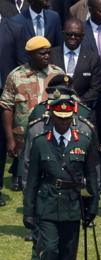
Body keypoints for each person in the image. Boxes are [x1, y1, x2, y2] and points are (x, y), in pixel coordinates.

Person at [23, 98, 99, 260]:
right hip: (47, 204)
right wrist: (28, 211)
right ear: (52, 116)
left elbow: (92, 176)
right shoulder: (41, 142)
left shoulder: (84, 141)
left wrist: (93, 206)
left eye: (67, 118)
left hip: (72, 206)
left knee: (68, 254)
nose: (63, 122)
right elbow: (32, 181)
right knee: (49, 250)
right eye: (59, 117)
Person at [0, 36, 64, 192]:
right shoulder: (16, 76)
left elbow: (68, 103)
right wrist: (9, 139)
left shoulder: (58, 74)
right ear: (30, 54)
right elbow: (6, 107)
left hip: (52, 136)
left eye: (48, 53)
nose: (47, 56)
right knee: (28, 183)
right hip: (24, 138)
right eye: (42, 53)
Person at [49, 18, 101, 111]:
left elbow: (95, 88)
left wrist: (78, 103)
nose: (73, 37)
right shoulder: (51, 54)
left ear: (82, 36)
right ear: (63, 33)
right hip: (54, 108)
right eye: (69, 34)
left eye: (77, 35)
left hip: (83, 110)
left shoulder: (93, 58)